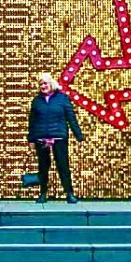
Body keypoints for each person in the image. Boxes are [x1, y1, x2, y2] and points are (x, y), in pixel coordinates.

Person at [28, 72, 84, 204]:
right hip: (41, 138)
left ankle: (69, 193)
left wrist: (79, 136)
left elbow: (71, 118)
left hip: (58, 137)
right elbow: (32, 121)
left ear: (51, 84)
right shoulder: (36, 101)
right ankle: (43, 194)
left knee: (63, 166)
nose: (43, 86)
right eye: (41, 84)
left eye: (45, 83)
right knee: (43, 167)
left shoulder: (63, 99)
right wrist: (31, 138)